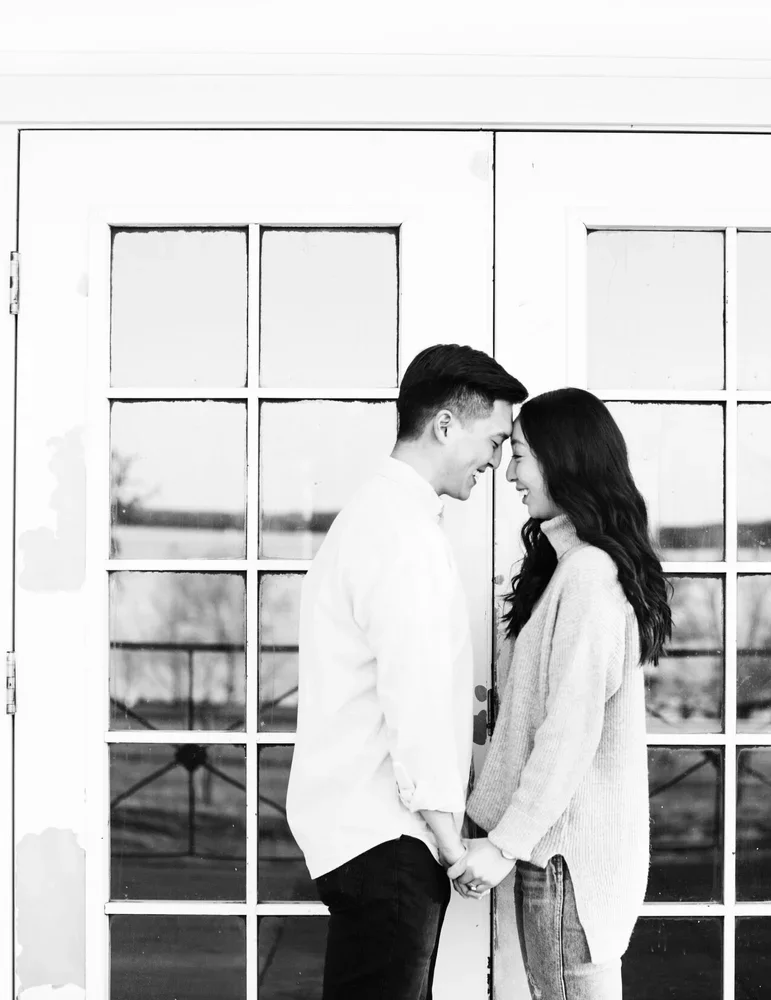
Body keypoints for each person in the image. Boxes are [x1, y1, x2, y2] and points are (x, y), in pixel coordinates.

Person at [286, 343, 528, 1000]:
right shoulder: (402, 536)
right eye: (495, 440)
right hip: (388, 843)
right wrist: (451, 843)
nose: (499, 463)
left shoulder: (381, 518)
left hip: (363, 837)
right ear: (445, 425)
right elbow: (413, 694)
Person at [461, 387, 672, 1000]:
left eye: (520, 455)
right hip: (564, 856)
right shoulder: (571, 567)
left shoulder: (588, 577)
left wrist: (505, 844)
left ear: (563, 460)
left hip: (565, 862)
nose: (509, 474)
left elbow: (569, 731)